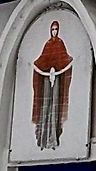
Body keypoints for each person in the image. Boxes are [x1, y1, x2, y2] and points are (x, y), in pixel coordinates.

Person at [31, 20, 73, 149]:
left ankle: (53, 137)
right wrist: (42, 68)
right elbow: (43, 59)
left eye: (56, 29)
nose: (54, 32)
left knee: (55, 106)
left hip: (57, 78)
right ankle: (43, 137)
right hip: (46, 79)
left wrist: (59, 68)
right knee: (45, 106)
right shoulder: (48, 44)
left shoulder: (60, 43)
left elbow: (64, 59)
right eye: (52, 29)